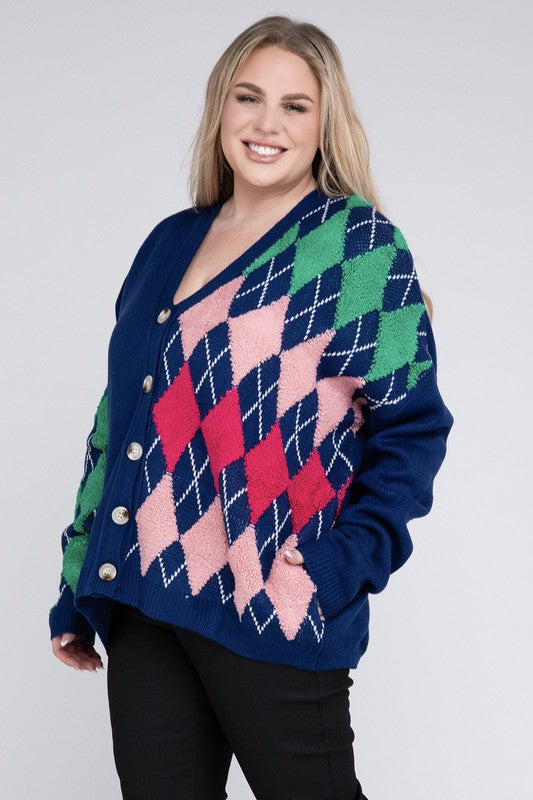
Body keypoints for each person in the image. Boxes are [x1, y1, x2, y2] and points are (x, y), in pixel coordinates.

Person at [49, 14, 454, 800]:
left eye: (294, 106)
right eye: (249, 97)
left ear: (323, 125)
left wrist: (343, 562)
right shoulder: (169, 242)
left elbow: (413, 429)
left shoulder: (356, 250)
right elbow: (119, 422)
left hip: (270, 597)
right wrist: (78, 577)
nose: (267, 123)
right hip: (143, 599)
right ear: (220, 109)